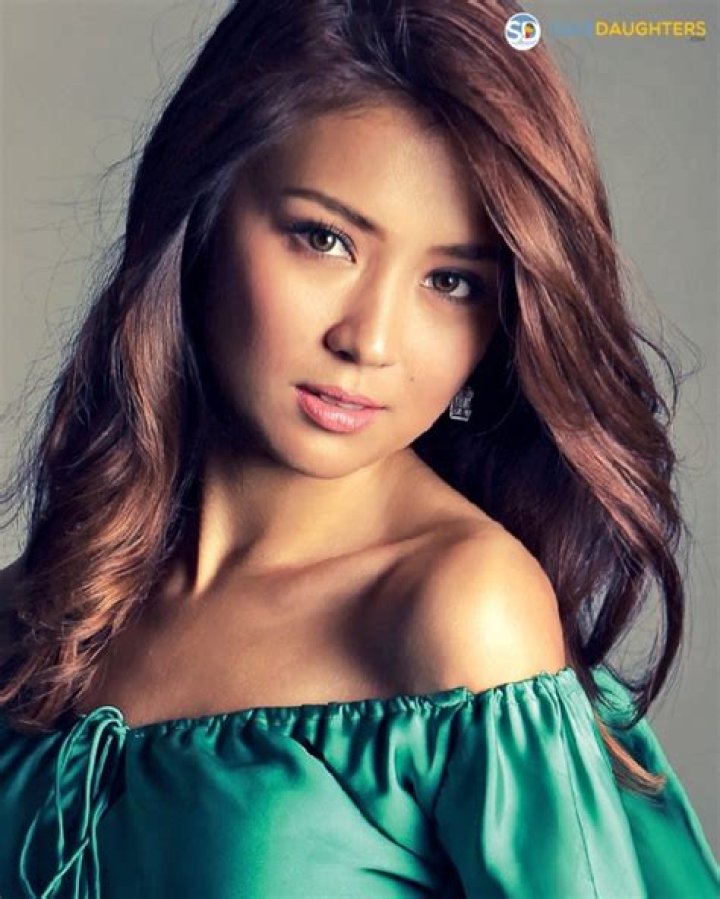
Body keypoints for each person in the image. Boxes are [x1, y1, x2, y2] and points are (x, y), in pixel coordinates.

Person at [0, 0, 717, 896]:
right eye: (325, 238)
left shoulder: (462, 610)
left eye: (451, 281)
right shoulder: (39, 607)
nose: (371, 341)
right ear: (203, 207)